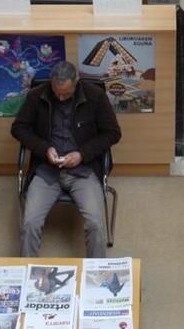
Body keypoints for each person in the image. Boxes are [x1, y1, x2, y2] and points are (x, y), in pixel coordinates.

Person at [11, 61, 121, 259]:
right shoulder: (37, 95)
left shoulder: (95, 96)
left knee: (95, 224)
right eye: (56, 92)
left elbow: (112, 133)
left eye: (66, 94)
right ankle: (26, 273)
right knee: (30, 223)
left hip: (84, 171)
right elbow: (19, 128)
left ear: (76, 83)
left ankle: (95, 274)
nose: (61, 97)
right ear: (51, 83)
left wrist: (82, 154)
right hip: (46, 169)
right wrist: (45, 149)